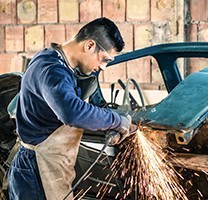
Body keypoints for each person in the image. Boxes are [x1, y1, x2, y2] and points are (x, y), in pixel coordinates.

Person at [8, 17, 134, 200]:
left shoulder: (57, 62)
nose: (103, 67)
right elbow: (72, 112)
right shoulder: (51, 69)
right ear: (89, 45)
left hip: (47, 165)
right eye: (104, 60)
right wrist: (116, 120)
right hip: (36, 169)